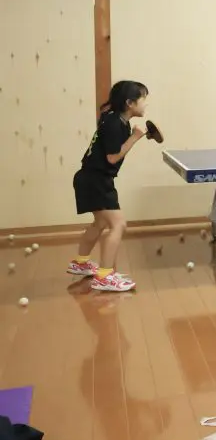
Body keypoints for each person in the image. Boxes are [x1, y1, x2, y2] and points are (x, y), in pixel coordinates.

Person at [68, 80, 150, 293]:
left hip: (89, 177)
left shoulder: (115, 119)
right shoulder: (115, 124)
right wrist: (135, 138)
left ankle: (81, 262)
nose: (146, 104)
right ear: (130, 103)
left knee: (101, 223)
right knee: (118, 224)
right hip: (96, 179)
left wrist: (132, 135)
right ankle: (104, 276)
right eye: (143, 99)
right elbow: (112, 157)